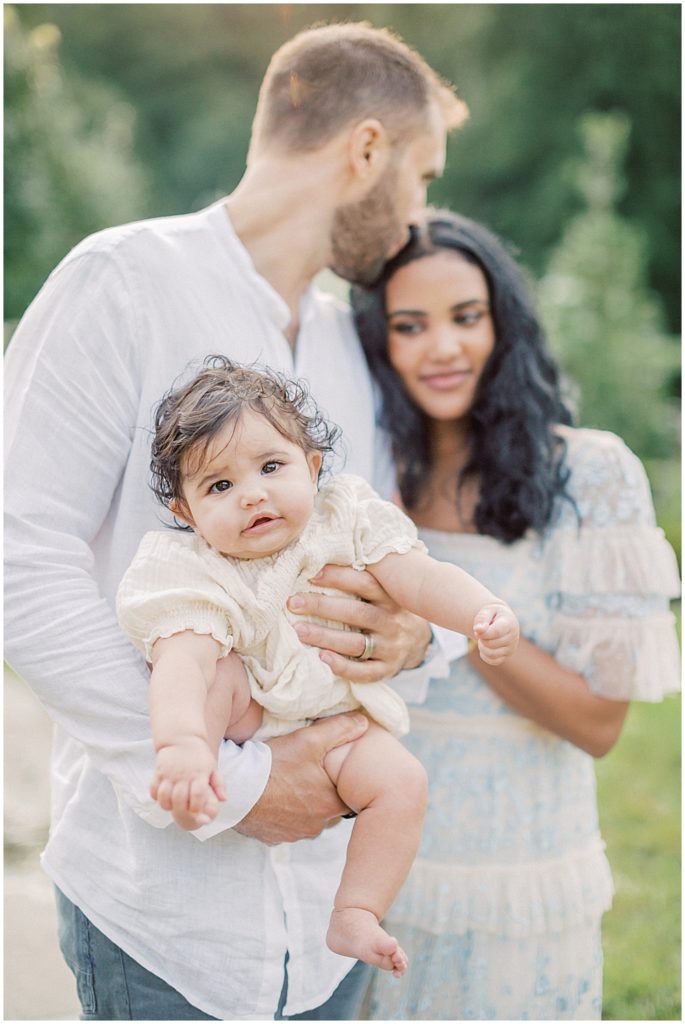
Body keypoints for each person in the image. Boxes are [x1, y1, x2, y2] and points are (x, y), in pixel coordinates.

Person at [4, 23, 469, 1021]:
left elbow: (383, 560)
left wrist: (409, 634)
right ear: (367, 150)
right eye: (422, 176)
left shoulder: (351, 348)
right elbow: (16, 555)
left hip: (329, 919)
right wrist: (237, 781)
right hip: (164, 919)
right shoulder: (122, 279)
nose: (418, 220)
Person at [350, 209, 681, 1020]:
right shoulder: (366, 479)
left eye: (467, 317)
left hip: (520, 878)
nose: (444, 348)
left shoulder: (586, 473)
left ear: (503, 321)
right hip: (372, 879)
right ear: (378, 343)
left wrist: (446, 631)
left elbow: (598, 723)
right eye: (409, 324)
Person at [116, 357, 519, 975]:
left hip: (335, 717)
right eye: (218, 486)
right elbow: (183, 668)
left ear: (311, 466)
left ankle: (355, 911)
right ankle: (193, 766)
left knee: (402, 784)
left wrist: (480, 612)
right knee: (208, 662)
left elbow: (419, 577)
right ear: (187, 513)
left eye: (271, 467)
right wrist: (180, 745)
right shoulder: (191, 567)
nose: (252, 493)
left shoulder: (345, 518)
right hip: (250, 715)